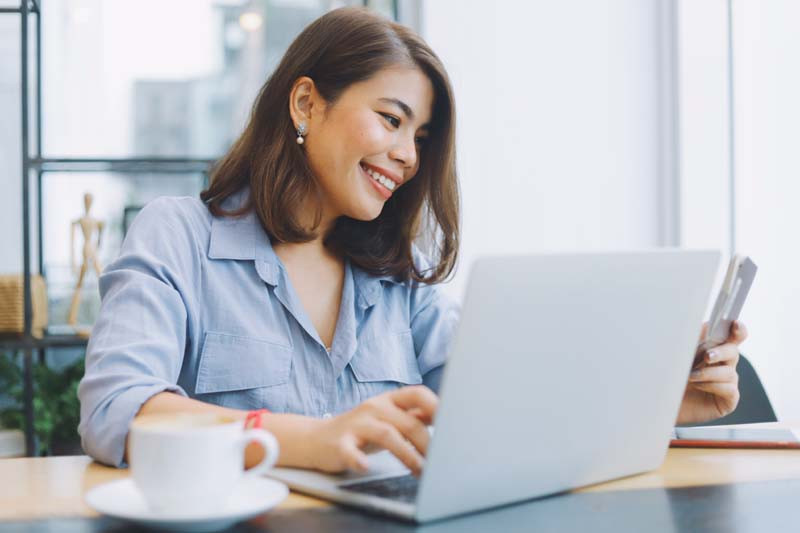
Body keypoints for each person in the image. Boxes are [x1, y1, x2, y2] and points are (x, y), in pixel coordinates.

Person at [78, 7, 747, 476]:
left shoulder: (400, 285)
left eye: (421, 139)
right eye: (391, 120)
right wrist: (310, 439)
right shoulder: (180, 236)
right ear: (306, 104)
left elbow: (510, 414)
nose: (407, 156)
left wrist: (664, 395)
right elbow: (118, 409)